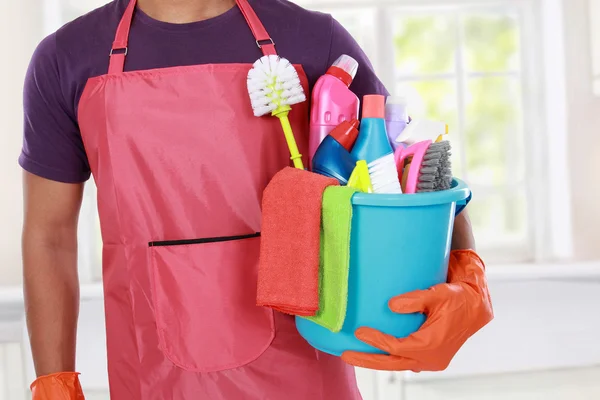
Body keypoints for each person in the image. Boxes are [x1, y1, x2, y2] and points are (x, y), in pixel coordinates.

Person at [20, 0, 493, 398]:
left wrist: (468, 274)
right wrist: (54, 381)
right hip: (152, 374)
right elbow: (50, 235)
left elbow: (412, 176)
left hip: (303, 370)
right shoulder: (68, 58)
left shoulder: (313, 40)